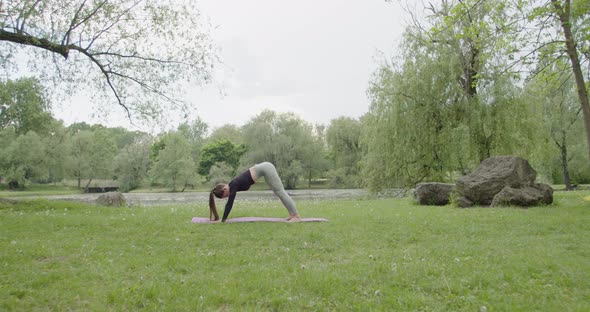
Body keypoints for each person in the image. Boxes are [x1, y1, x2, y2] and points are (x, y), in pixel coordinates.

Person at [209, 162, 301, 223]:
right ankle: (291, 214)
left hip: (266, 168)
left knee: (280, 191)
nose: (228, 196)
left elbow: (229, 204)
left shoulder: (233, 185)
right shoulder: (233, 185)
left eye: (226, 195)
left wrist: (223, 220)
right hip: (265, 168)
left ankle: (296, 216)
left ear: (225, 189)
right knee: (279, 192)